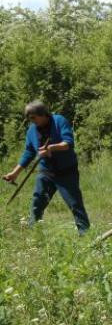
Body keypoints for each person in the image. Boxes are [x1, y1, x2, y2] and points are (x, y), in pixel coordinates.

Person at [2, 100, 90, 235]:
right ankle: (35, 235)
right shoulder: (32, 130)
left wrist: (51, 148)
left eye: (33, 118)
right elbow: (29, 153)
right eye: (29, 118)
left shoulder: (59, 121)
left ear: (43, 114)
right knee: (37, 203)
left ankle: (86, 235)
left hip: (66, 171)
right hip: (46, 172)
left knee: (75, 204)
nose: (31, 121)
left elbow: (68, 143)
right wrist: (15, 173)